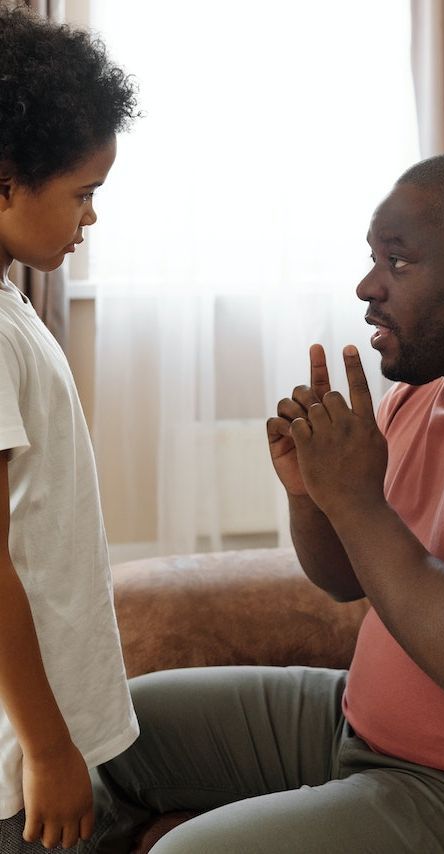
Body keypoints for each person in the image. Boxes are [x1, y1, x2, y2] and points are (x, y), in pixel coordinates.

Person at [95, 148, 444, 854]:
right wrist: (314, 497)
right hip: (351, 720)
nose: (368, 286)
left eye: (399, 262)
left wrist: (358, 501)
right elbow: (344, 581)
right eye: (372, 258)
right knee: (104, 728)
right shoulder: (416, 397)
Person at [0, 5, 141, 852]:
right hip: (22, 751)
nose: (90, 218)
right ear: (6, 177)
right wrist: (50, 749)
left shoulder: (11, 303)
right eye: (83, 194)